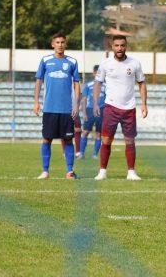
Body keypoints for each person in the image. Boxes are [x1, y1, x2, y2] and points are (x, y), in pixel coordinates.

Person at [93, 35, 148, 181]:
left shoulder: (135, 63)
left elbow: (142, 83)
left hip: (129, 108)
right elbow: (98, 83)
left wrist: (144, 104)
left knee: (130, 140)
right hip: (110, 107)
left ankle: (131, 172)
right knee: (106, 140)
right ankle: (102, 172)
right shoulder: (105, 64)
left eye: (122, 45)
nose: (119, 48)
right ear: (112, 46)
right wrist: (95, 103)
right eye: (116, 45)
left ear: (126, 46)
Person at [33, 32, 81, 179]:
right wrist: (36, 102)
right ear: (52, 44)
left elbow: (77, 84)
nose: (60, 45)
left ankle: (69, 171)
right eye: (57, 42)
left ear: (65, 44)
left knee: (68, 140)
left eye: (62, 42)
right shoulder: (45, 60)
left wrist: (76, 105)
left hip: (67, 109)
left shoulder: (72, 62)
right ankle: (45, 171)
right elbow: (39, 81)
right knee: (46, 139)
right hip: (49, 108)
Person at [80, 64, 105, 159]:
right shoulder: (88, 85)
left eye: (100, 73)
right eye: (96, 73)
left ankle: (95, 154)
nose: (98, 74)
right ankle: (81, 153)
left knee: (99, 133)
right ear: (93, 73)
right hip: (90, 110)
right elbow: (84, 99)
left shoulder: (106, 86)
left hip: (101, 111)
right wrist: (84, 113)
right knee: (85, 132)